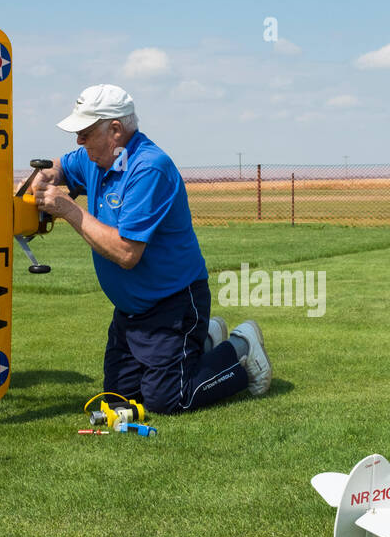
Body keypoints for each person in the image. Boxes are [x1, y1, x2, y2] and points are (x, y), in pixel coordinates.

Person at [32, 84, 270, 414]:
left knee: (168, 400)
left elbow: (127, 254)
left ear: (114, 130)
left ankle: (240, 348)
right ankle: (202, 342)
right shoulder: (94, 159)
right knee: (120, 401)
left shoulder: (148, 168)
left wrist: (69, 209)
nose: (79, 141)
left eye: (85, 132)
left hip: (172, 304)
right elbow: (60, 165)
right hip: (131, 313)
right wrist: (45, 176)